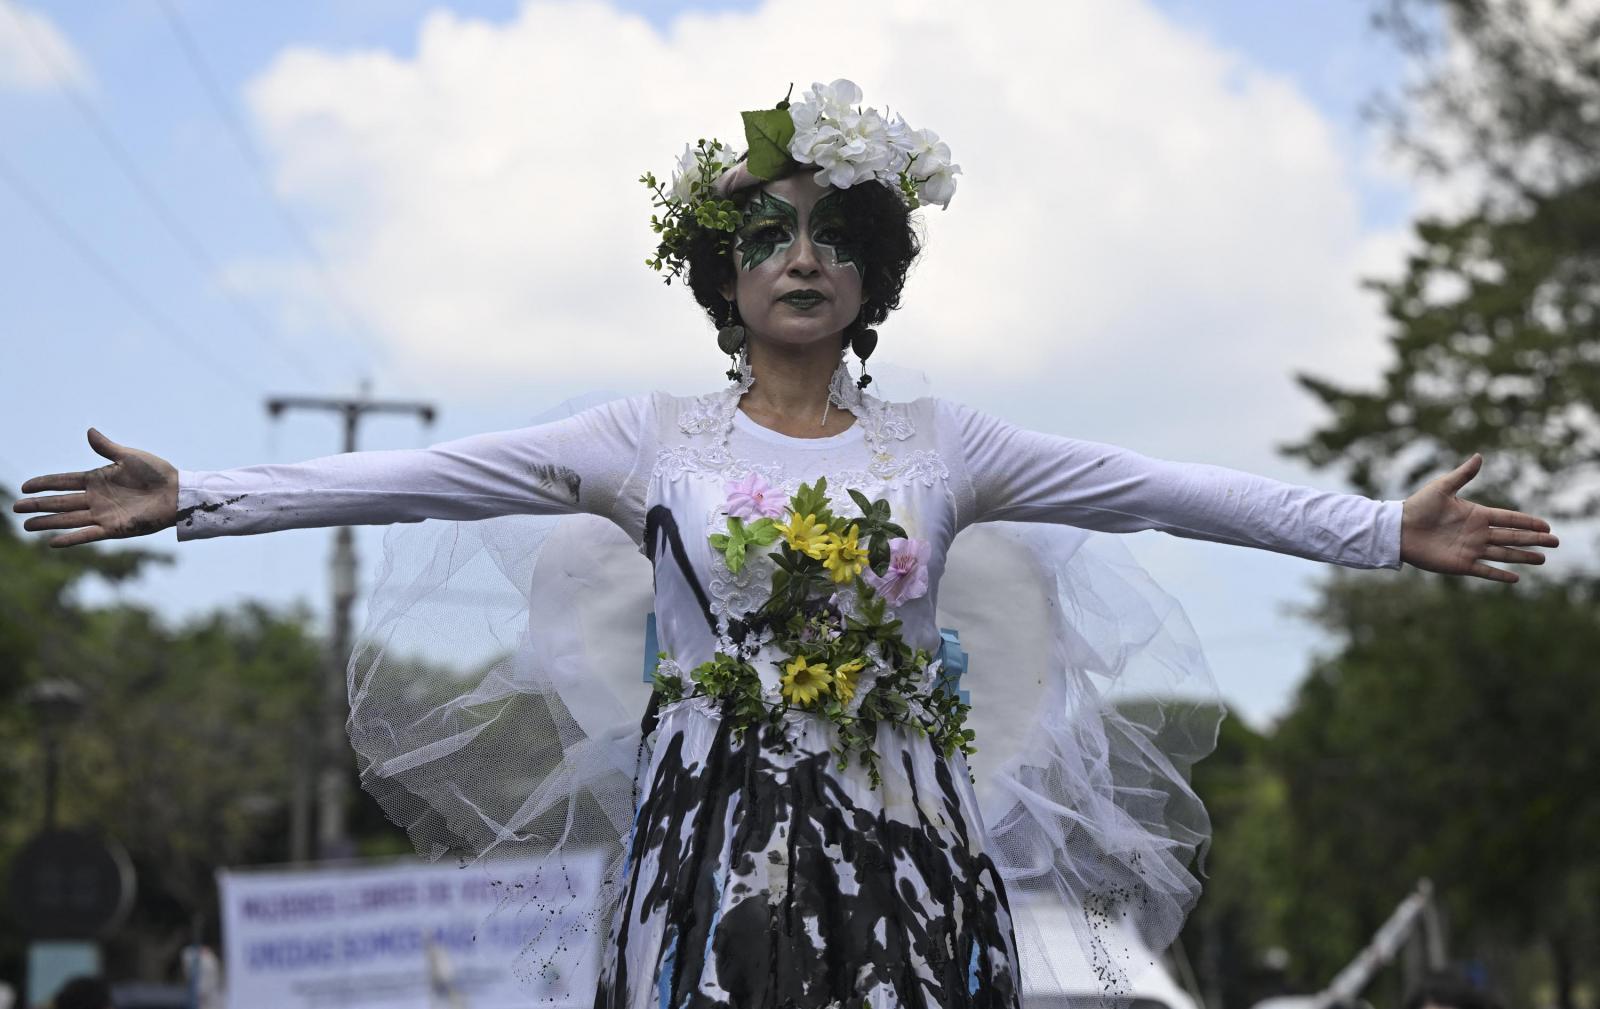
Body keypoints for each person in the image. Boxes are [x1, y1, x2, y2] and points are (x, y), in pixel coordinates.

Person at [13, 81, 1557, 1009]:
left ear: (872, 274)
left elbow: (1159, 486)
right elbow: (424, 476)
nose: (802, 256)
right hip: (709, 819)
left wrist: (1375, 527)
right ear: (724, 274)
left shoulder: (948, 448)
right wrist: (200, 496)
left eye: (833, 237)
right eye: (768, 236)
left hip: (900, 816)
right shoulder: (647, 443)